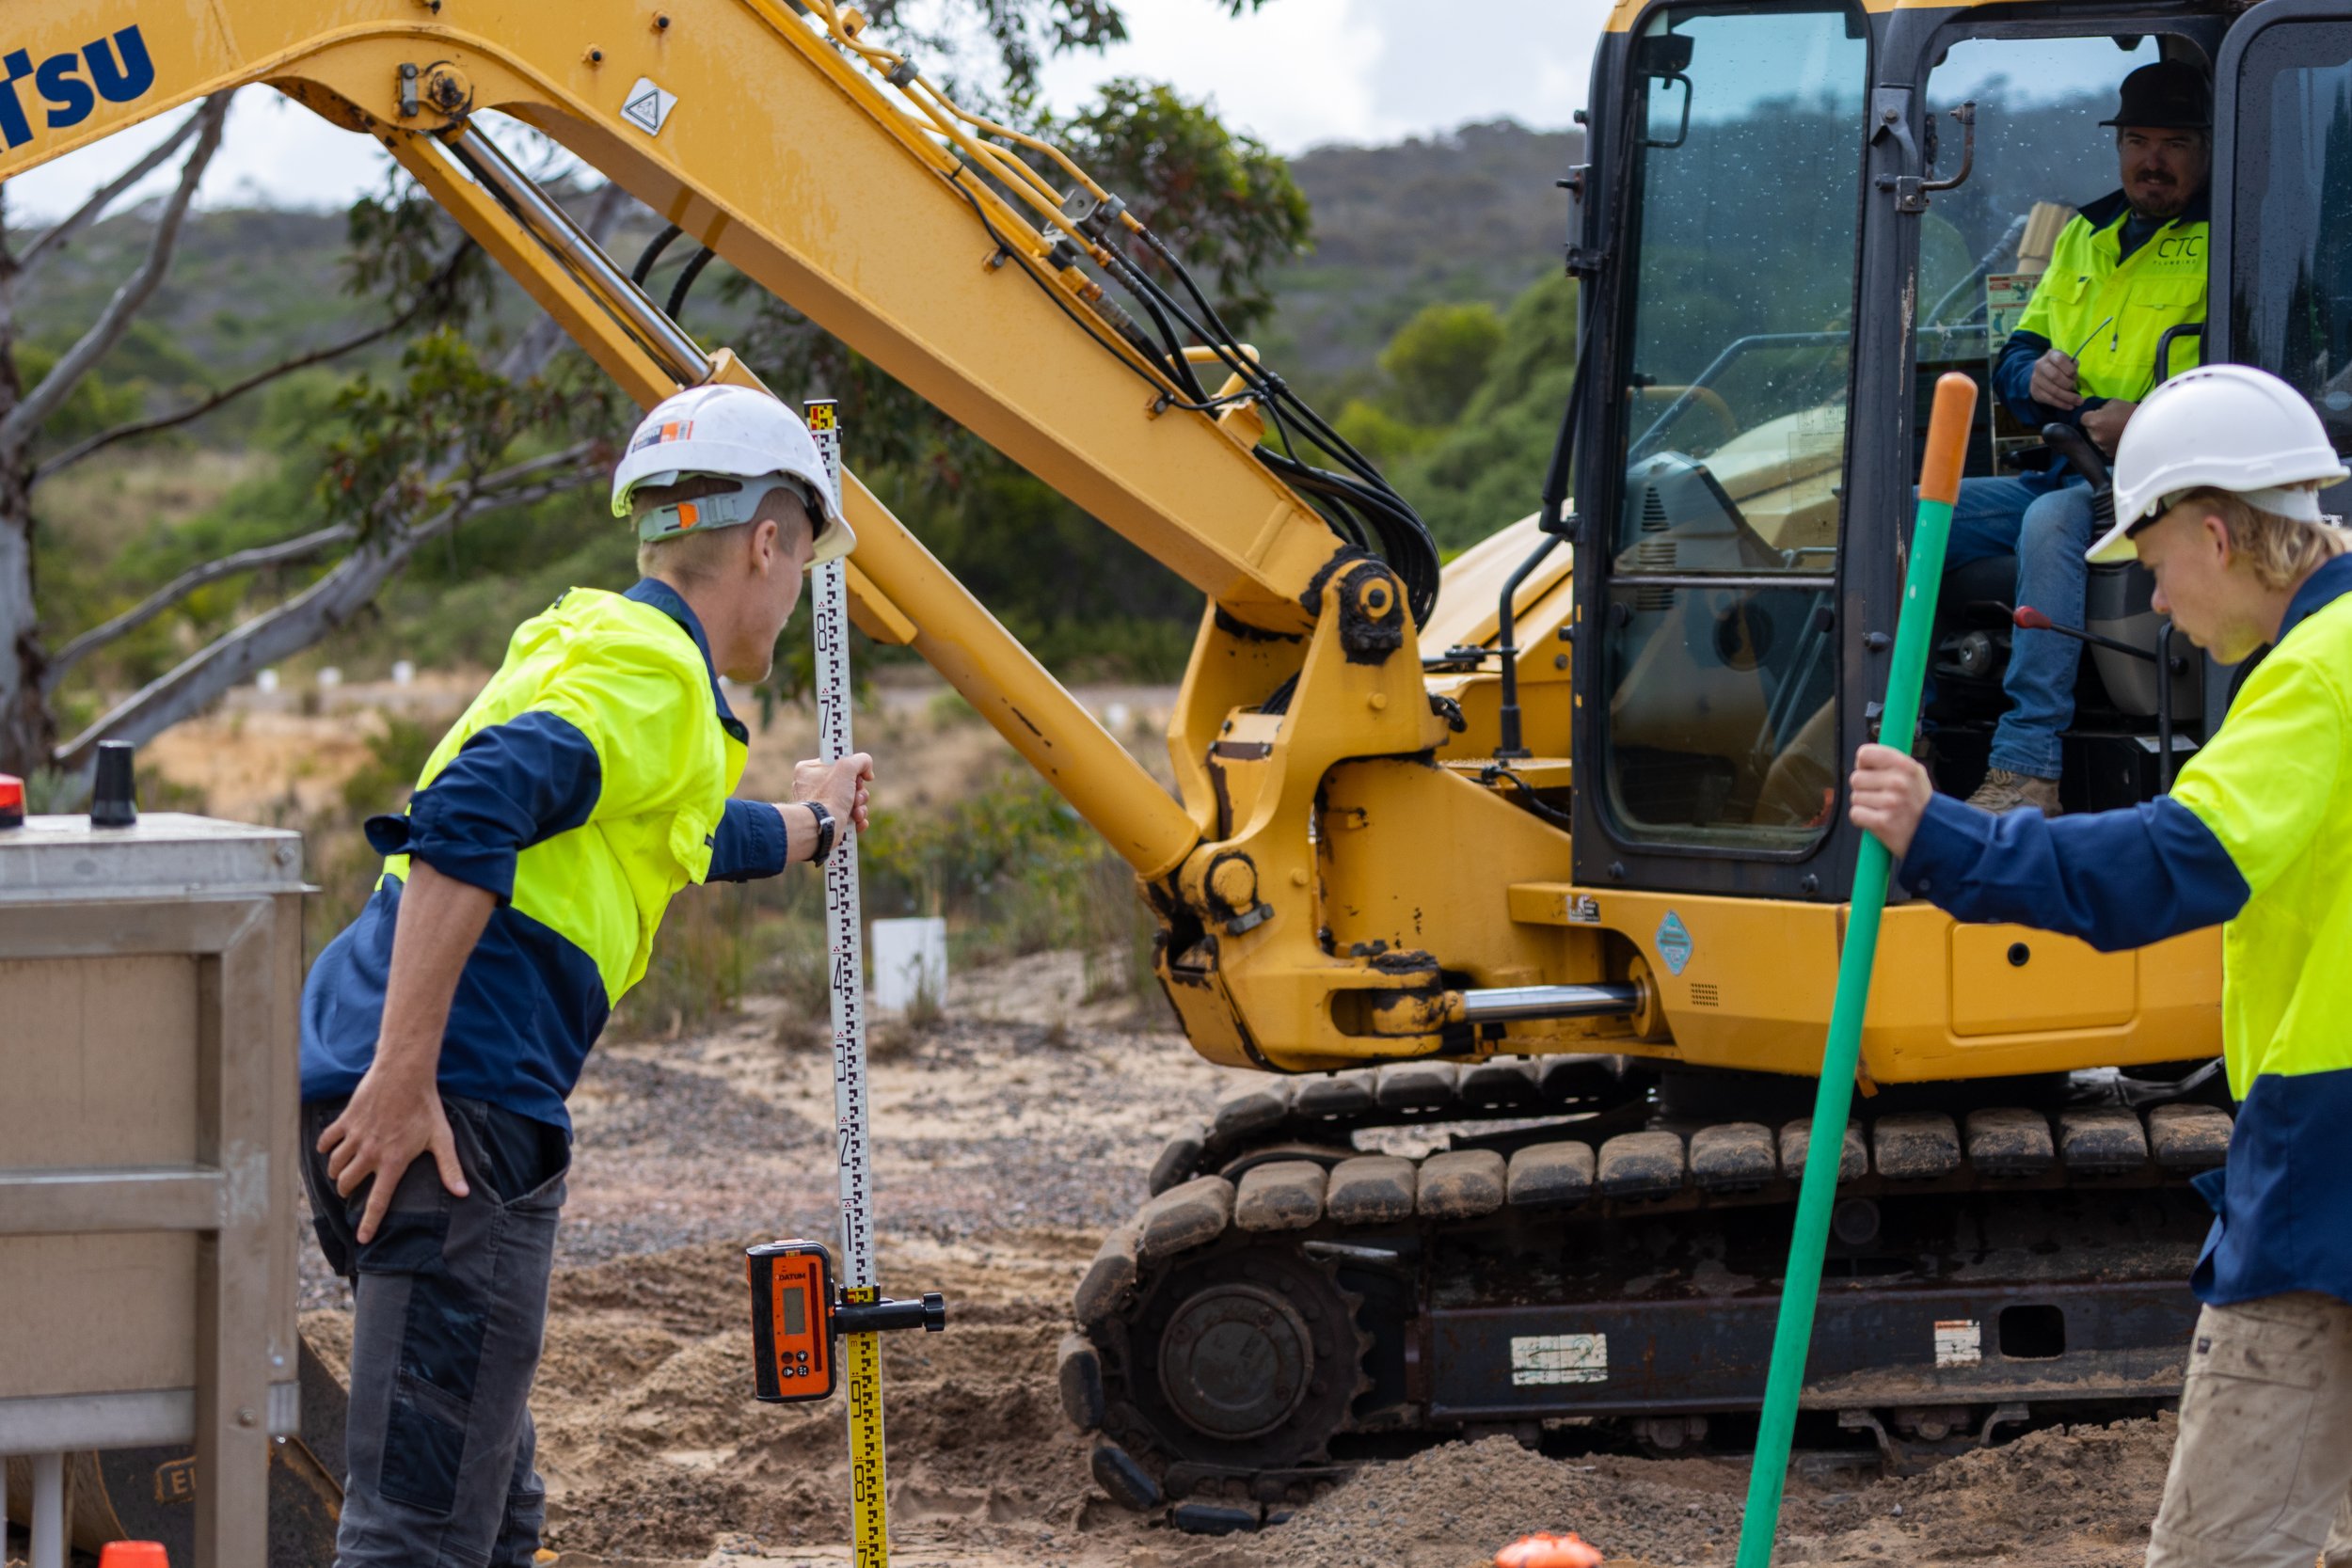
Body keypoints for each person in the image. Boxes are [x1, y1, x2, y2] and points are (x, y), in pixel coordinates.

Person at [296, 384, 875, 1566]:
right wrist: (411, 1078)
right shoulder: (658, 677)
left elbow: (674, 834)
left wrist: (812, 827)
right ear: (767, 540)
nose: (796, 591)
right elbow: (469, 807)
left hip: (362, 1067)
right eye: (803, 561)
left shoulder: (589, 644)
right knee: (419, 1534)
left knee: (489, 1507)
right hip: (446, 1106)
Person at [1851, 364, 2352, 1568]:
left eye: (2154, 563)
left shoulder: (2319, 672)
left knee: (2226, 1551)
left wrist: (1945, 835)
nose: (2157, 600)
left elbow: (2163, 866)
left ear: (2220, 534)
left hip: (2329, 1160)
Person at [1944, 59, 2213, 816]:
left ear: (2207, 149)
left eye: (2173, 143)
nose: (2151, 159)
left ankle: (2029, 765)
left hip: (2168, 486)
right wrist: (2031, 379)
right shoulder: (2082, 238)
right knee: (1909, 514)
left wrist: (2149, 420)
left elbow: (2259, 376)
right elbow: (2016, 355)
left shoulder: (2231, 241)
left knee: (2049, 521)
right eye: (2136, 140)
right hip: (2067, 464)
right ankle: (1911, 726)